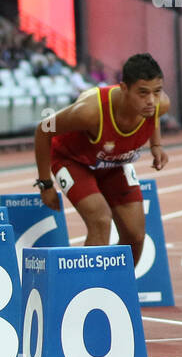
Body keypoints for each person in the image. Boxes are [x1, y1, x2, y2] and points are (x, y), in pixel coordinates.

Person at [33, 53, 170, 263]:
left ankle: (114, 290)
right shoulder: (90, 112)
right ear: (124, 88)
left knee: (135, 236)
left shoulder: (159, 104)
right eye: (142, 93)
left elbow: (154, 117)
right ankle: (87, 292)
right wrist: (45, 184)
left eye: (157, 92)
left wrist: (156, 145)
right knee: (100, 220)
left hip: (113, 162)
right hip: (73, 160)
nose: (151, 100)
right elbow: (43, 130)